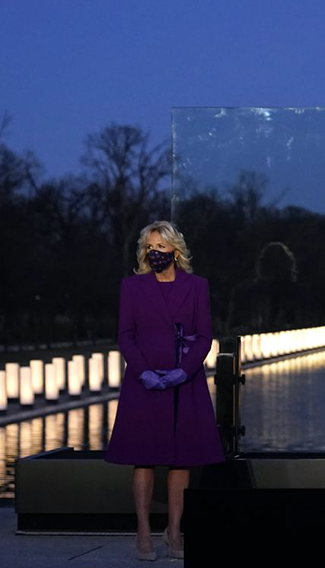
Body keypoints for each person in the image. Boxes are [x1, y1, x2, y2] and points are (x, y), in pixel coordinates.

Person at [105, 221, 223, 561]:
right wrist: (143, 373)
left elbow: (204, 336)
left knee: (181, 460)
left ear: (175, 249)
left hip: (183, 382)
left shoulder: (197, 286)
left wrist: (181, 373)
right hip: (144, 382)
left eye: (160, 247)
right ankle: (143, 532)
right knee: (143, 458)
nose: (154, 253)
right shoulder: (132, 287)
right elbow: (125, 334)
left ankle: (175, 532)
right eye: (149, 248)